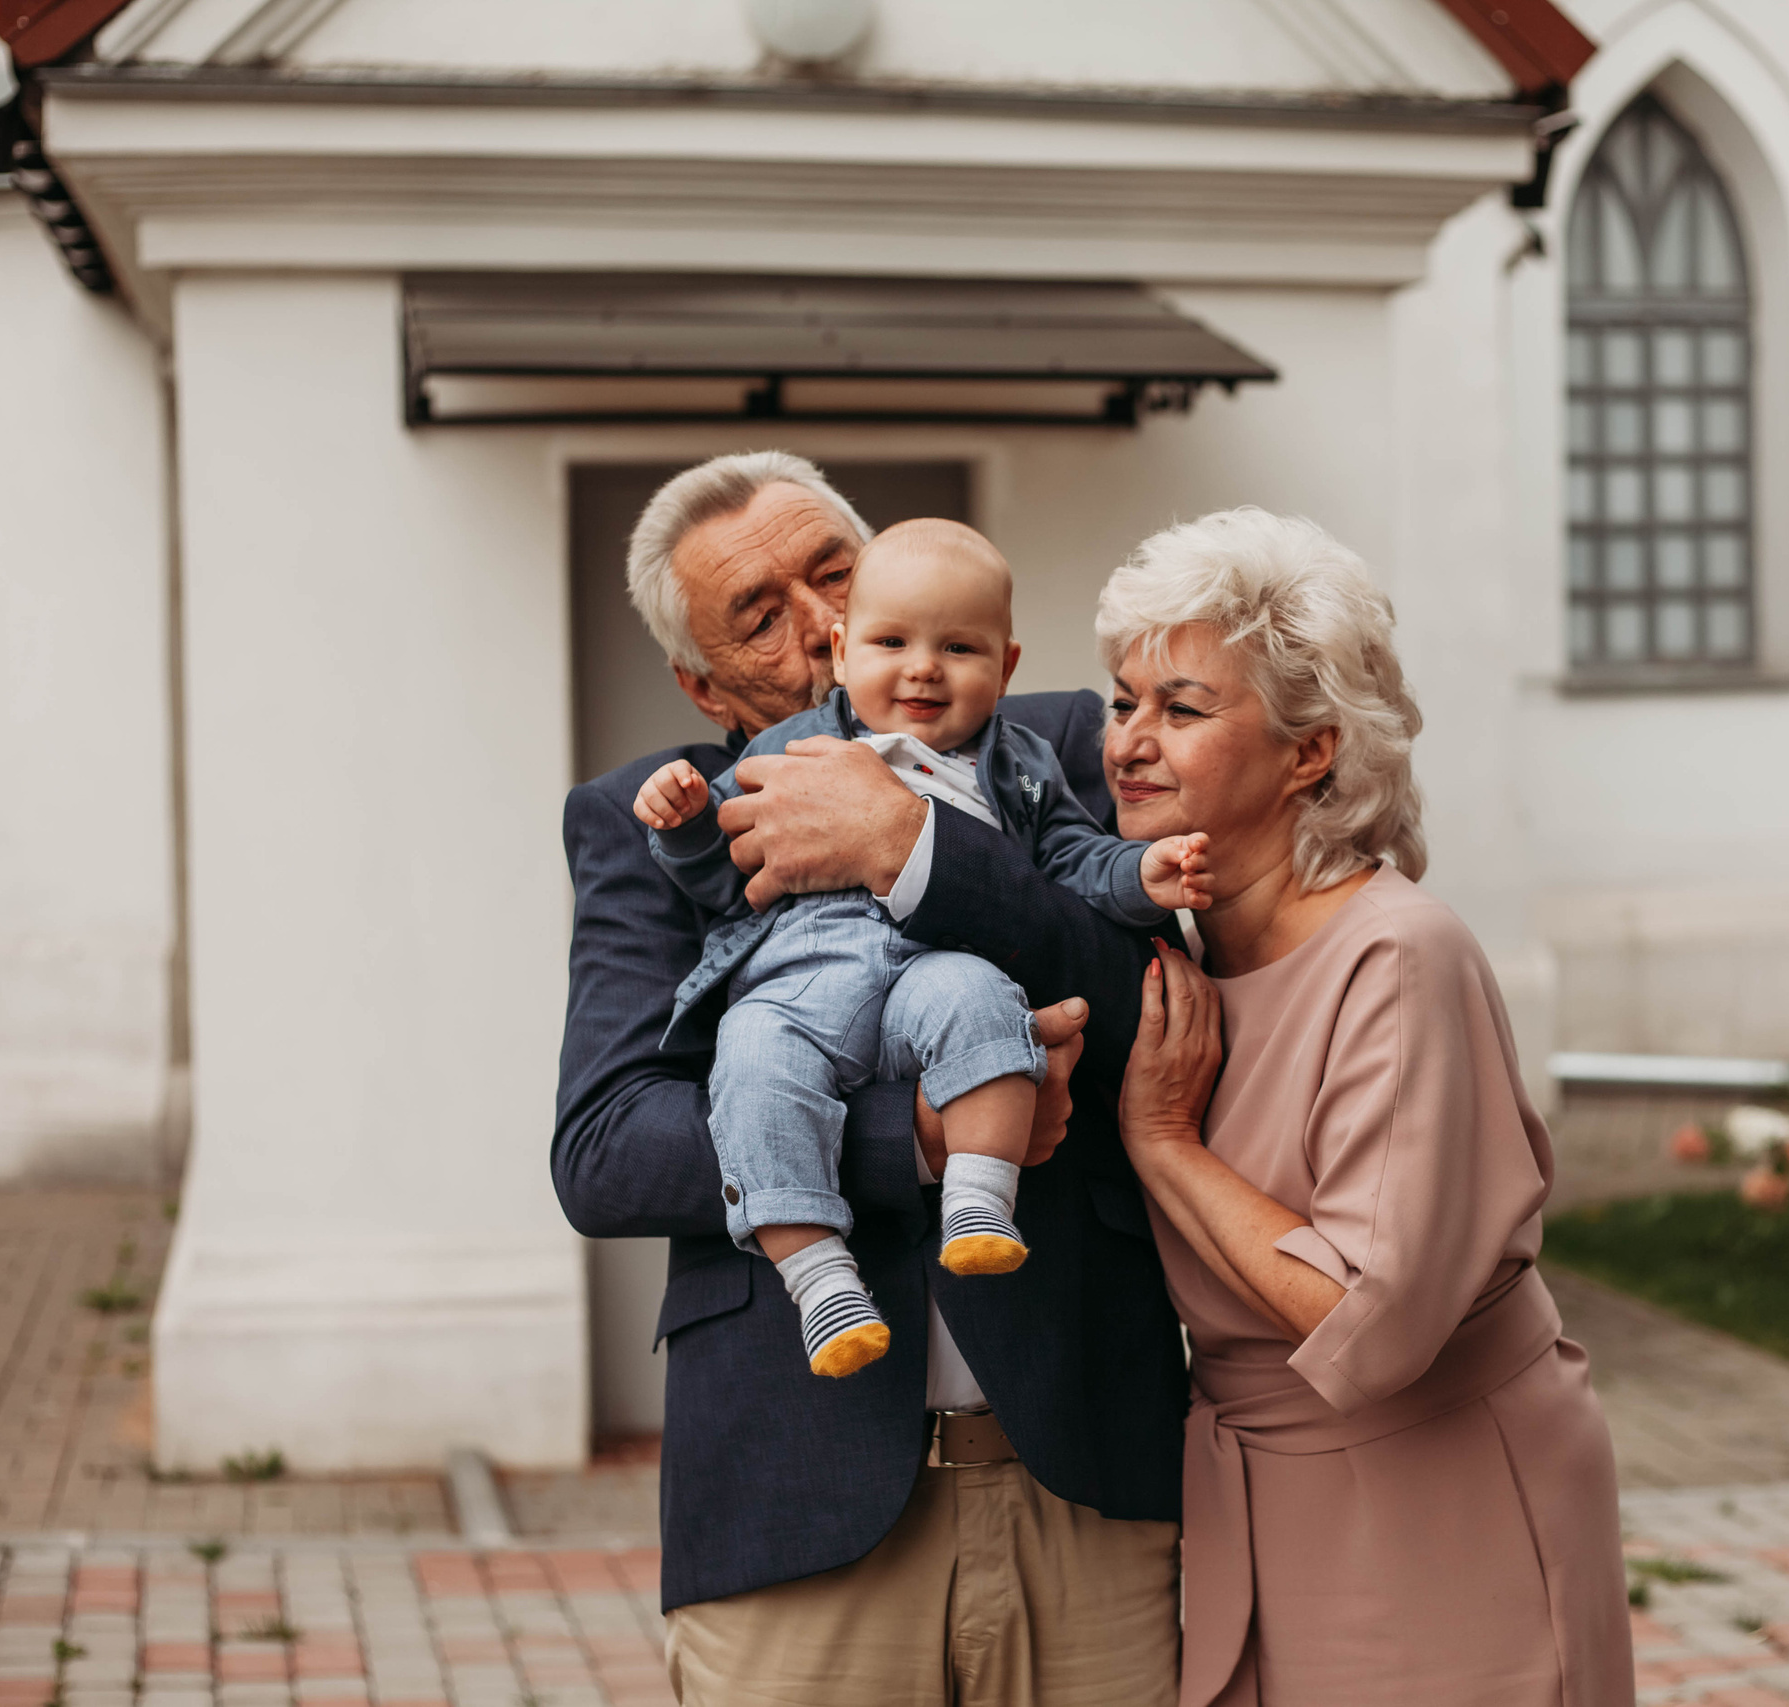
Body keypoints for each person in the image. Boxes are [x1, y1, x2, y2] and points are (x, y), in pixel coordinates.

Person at [551, 452, 1188, 1706]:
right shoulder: (661, 819)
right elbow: (609, 1146)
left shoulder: (1057, 744)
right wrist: (912, 1146)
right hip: (796, 1497)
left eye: (835, 574)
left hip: (1084, 1467)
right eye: (761, 613)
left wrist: (914, 847)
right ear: (700, 681)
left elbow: (1152, 1004)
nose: (826, 621)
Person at [1101, 508, 1636, 1707]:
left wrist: (1165, 1144)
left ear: (1310, 752)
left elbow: (1367, 1320)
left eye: (1181, 709)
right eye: (1120, 701)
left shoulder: (1398, 956)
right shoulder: (1171, 945)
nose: (1130, 742)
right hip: (1255, 1492)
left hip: (1439, 1490)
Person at [633, 518, 1209, 1377]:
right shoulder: (785, 751)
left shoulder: (1026, 762)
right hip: (800, 985)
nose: (923, 667)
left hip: (929, 971)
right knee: (749, 1064)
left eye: (959, 647)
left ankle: (980, 1204)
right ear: (844, 646)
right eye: (891, 640)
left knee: (982, 1001)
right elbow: (724, 872)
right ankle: (820, 1276)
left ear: (1006, 666)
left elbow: (1075, 861)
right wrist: (683, 827)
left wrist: (1140, 872)